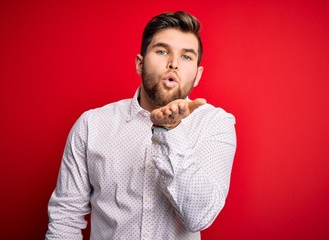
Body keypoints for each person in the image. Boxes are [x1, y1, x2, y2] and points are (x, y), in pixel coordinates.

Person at [45, 11, 236, 240]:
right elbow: (65, 217)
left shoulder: (215, 124)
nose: (173, 63)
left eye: (186, 57)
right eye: (162, 51)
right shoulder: (91, 125)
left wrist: (169, 131)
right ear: (140, 63)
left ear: (197, 75)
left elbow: (199, 217)